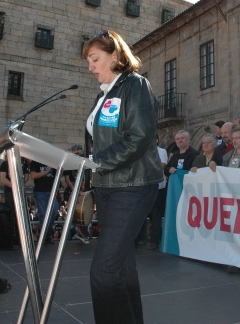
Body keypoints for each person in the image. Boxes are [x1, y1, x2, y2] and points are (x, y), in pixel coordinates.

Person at [83, 29, 163, 323]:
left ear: (115, 56)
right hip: (107, 186)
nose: (90, 66)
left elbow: (138, 138)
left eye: (95, 59)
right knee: (121, 267)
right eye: (88, 61)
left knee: (104, 271)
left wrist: (96, 162)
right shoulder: (103, 95)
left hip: (133, 185)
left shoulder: (135, 86)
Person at [0, 158, 30, 245]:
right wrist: (14, 186)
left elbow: (26, 176)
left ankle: (19, 237)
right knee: (10, 214)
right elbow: (3, 178)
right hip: (10, 192)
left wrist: (21, 185)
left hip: (20, 191)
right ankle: (10, 238)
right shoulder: (5, 164)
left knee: (20, 215)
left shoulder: (22, 164)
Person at [146, 136, 169, 250]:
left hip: (158, 187)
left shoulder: (162, 151)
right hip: (145, 187)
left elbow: (162, 165)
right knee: (143, 214)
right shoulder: (144, 151)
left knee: (156, 215)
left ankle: (154, 240)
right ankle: (141, 238)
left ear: (156, 140)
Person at [29, 159, 59, 245]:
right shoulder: (35, 162)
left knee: (54, 212)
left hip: (52, 191)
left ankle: (45, 235)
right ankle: (44, 236)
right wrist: (46, 171)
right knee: (44, 214)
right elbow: (33, 175)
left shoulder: (53, 161)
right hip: (40, 191)